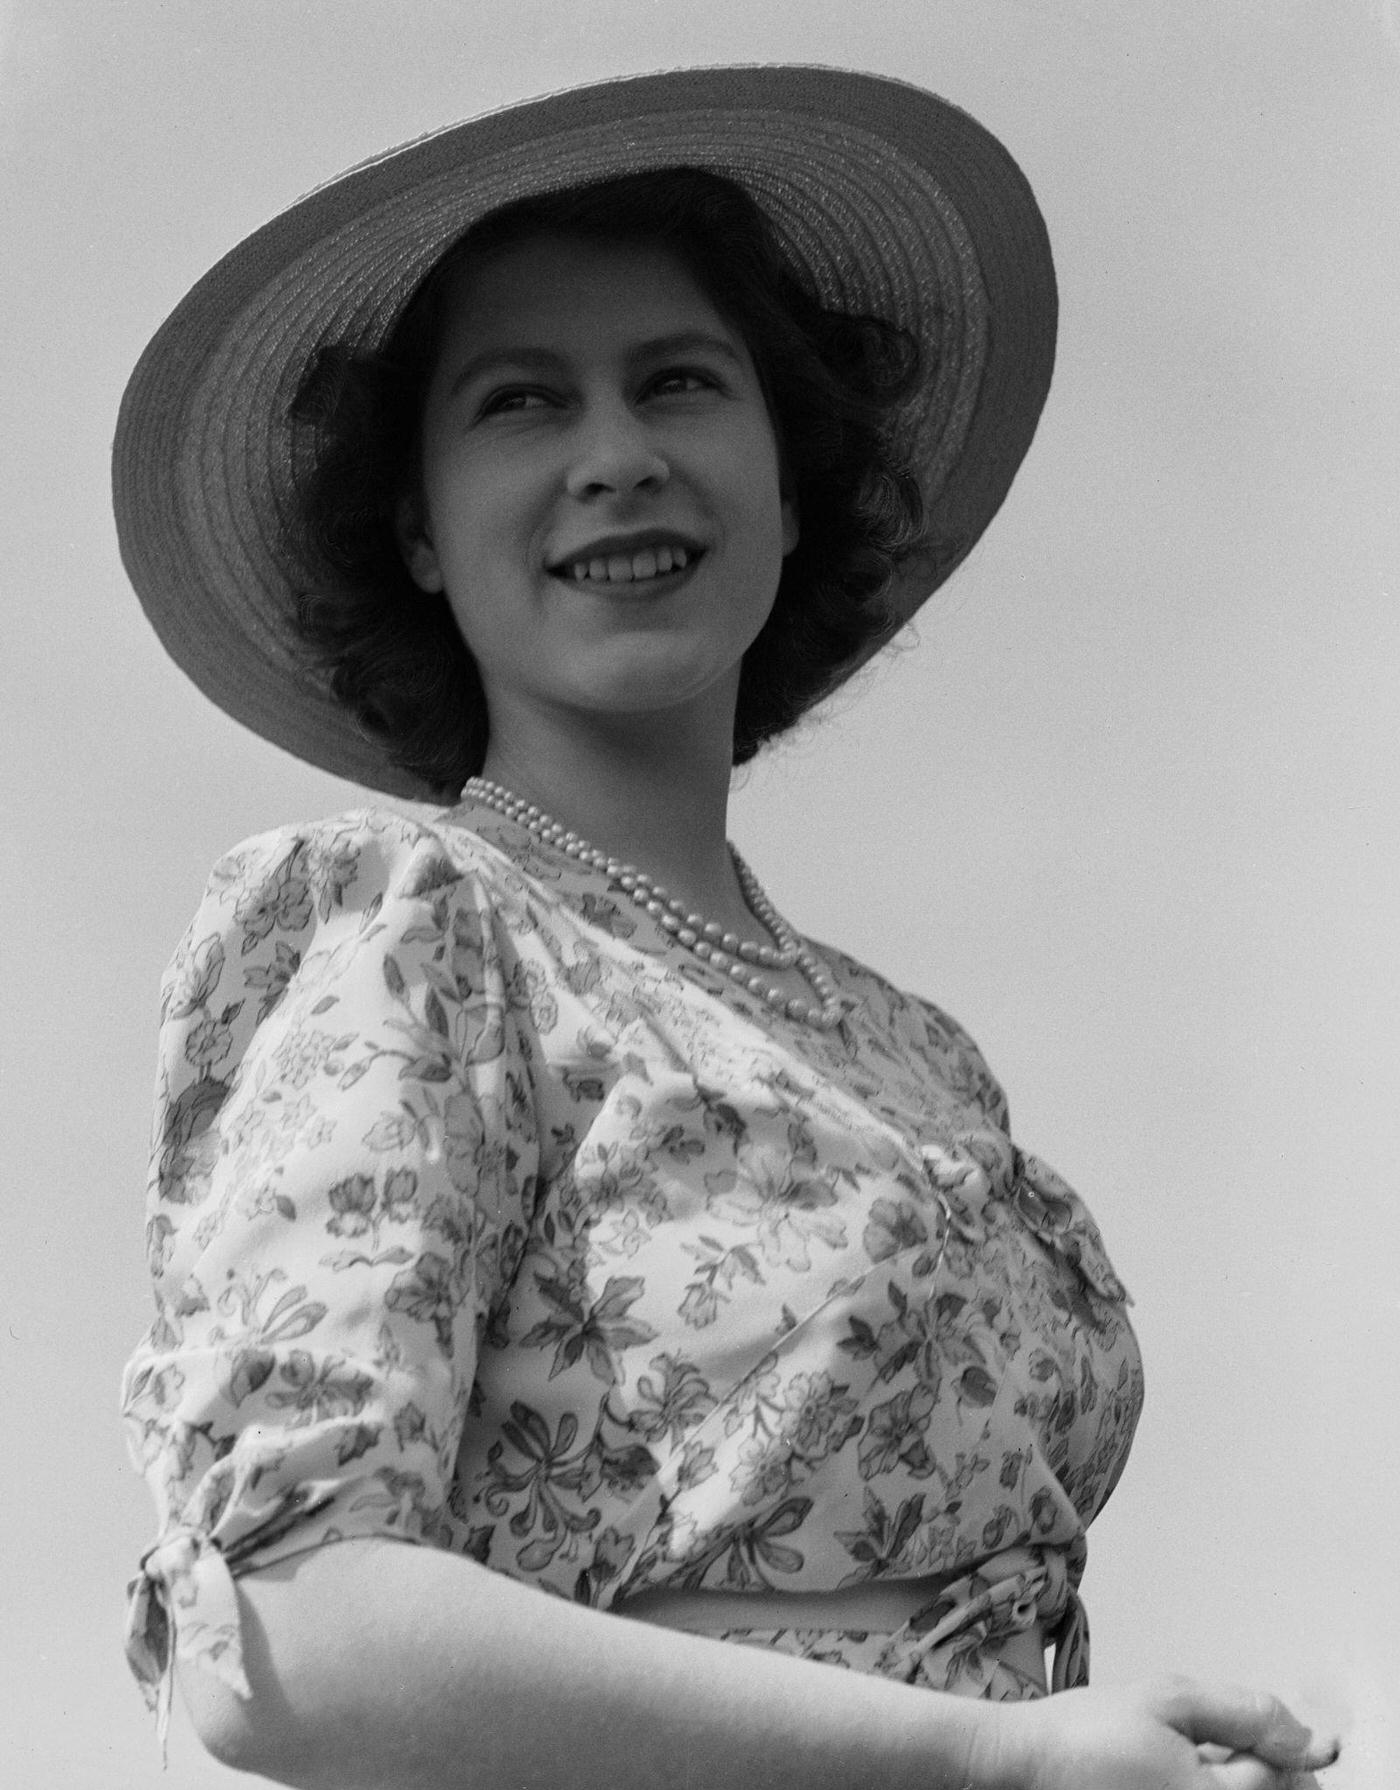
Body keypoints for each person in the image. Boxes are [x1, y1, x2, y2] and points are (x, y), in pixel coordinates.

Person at [115, 65, 1339, 1790]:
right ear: (414, 529)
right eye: (523, 404)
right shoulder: (407, 936)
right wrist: (982, 1762)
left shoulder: (912, 1050)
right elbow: (289, 1639)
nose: (618, 458)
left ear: (785, 474)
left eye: (680, 384)